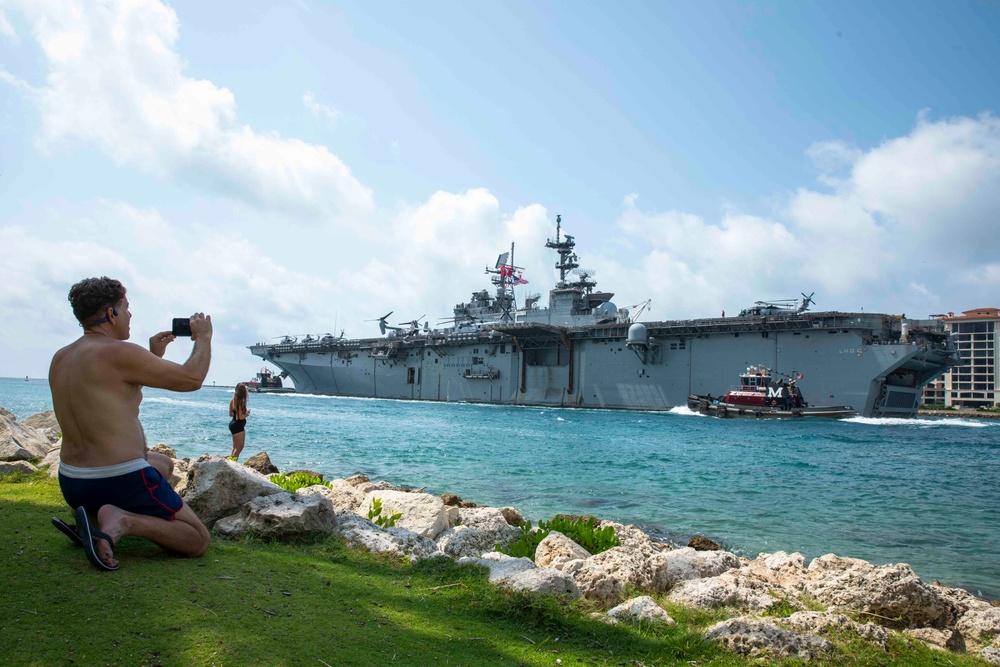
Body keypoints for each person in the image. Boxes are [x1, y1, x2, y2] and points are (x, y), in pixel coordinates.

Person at [48, 276, 212, 570]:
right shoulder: (121, 352)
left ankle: (93, 518)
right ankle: (125, 520)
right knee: (198, 540)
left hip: (73, 481)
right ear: (111, 313)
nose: (130, 315)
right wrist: (203, 338)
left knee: (163, 464)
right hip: (118, 477)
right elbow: (192, 379)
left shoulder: (62, 357)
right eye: (126, 307)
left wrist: (152, 358)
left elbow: (111, 393)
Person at [228, 383, 250, 460]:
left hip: (233, 424)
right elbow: (241, 417)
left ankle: (231, 462)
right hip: (238, 425)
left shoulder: (232, 400)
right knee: (239, 447)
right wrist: (247, 414)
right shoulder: (241, 402)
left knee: (235, 447)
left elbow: (230, 414)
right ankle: (233, 463)